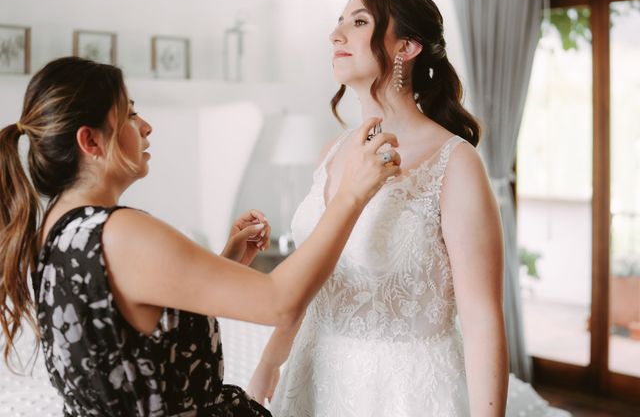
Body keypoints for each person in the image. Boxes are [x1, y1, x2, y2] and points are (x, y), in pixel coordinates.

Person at [0, 56, 401, 416]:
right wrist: (351, 194)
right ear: (90, 141)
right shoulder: (119, 233)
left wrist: (225, 263)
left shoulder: (55, 229)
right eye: (129, 114)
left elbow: (132, 337)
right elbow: (281, 303)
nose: (145, 126)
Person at [247, 0, 570, 417]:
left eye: (358, 22)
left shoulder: (454, 162)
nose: (335, 35)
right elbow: (310, 282)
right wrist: (269, 364)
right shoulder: (332, 153)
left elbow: (481, 319)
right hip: (315, 380)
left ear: (407, 48)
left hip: (407, 392)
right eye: (338, 22)